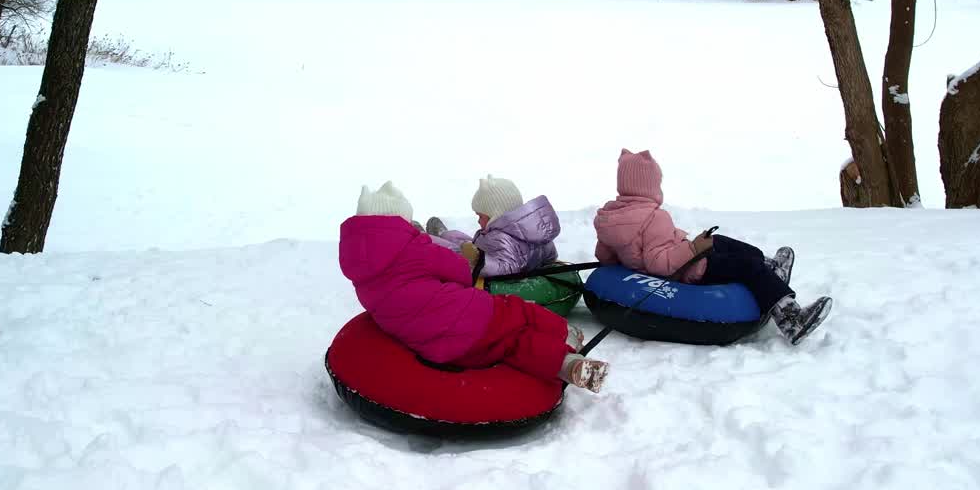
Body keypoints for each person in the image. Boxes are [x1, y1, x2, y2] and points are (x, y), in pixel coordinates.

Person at [340, 181, 608, 392]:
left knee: (508, 345)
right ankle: (565, 336)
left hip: (435, 345)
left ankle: (567, 364)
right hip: (469, 313)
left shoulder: (360, 271)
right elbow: (460, 273)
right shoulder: (417, 250)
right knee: (516, 313)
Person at [593, 150, 832, 345]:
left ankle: (771, 267)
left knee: (720, 242)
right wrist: (695, 248)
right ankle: (791, 319)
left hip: (681, 257)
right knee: (747, 267)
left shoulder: (610, 217)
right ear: (650, 185)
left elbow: (605, 256)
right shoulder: (655, 216)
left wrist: (633, 259)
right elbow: (660, 264)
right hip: (691, 271)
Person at [425, 175, 560, 278]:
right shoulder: (535, 231)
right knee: (458, 238)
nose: (478, 221)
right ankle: (445, 234)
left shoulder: (500, 237)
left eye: (481, 216)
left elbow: (505, 268)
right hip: (488, 251)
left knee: (454, 250)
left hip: (482, 261)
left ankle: (422, 238)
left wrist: (478, 260)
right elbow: (550, 255)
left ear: (495, 215)